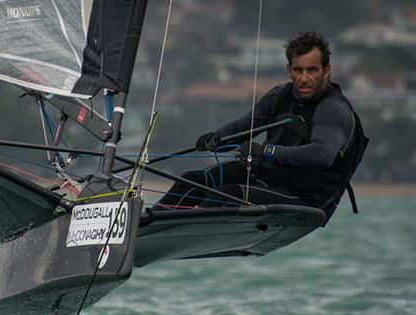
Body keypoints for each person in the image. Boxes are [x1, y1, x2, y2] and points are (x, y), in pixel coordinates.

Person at [154, 31, 368, 221]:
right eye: (298, 70)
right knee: (195, 180)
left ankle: (175, 232)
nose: (304, 78)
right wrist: (217, 138)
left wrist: (265, 151)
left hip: (307, 201)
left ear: (327, 70)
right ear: (289, 70)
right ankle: (144, 226)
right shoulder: (280, 96)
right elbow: (244, 127)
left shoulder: (333, 109)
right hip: (269, 179)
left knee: (231, 194)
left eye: (312, 70)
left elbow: (321, 155)